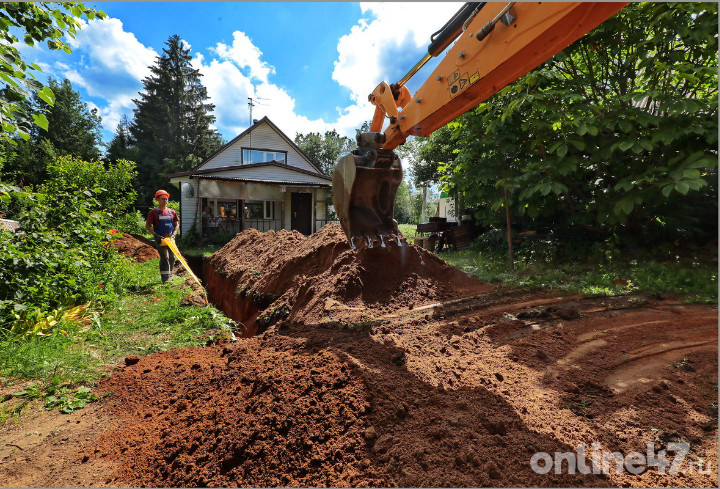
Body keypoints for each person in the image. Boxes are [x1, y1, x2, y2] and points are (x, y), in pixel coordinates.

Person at [145, 189, 179, 283]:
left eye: (166, 199)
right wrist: (156, 236)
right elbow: (147, 226)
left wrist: (174, 234)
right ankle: (165, 279)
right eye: (163, 199)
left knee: (172, 257)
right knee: (165, 257)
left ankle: (169, 275)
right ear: (158, 200)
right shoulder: (153, 212)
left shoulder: (172, 212)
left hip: (170, 238)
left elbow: (176, 224)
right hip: (160, 238)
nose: (165, 201)